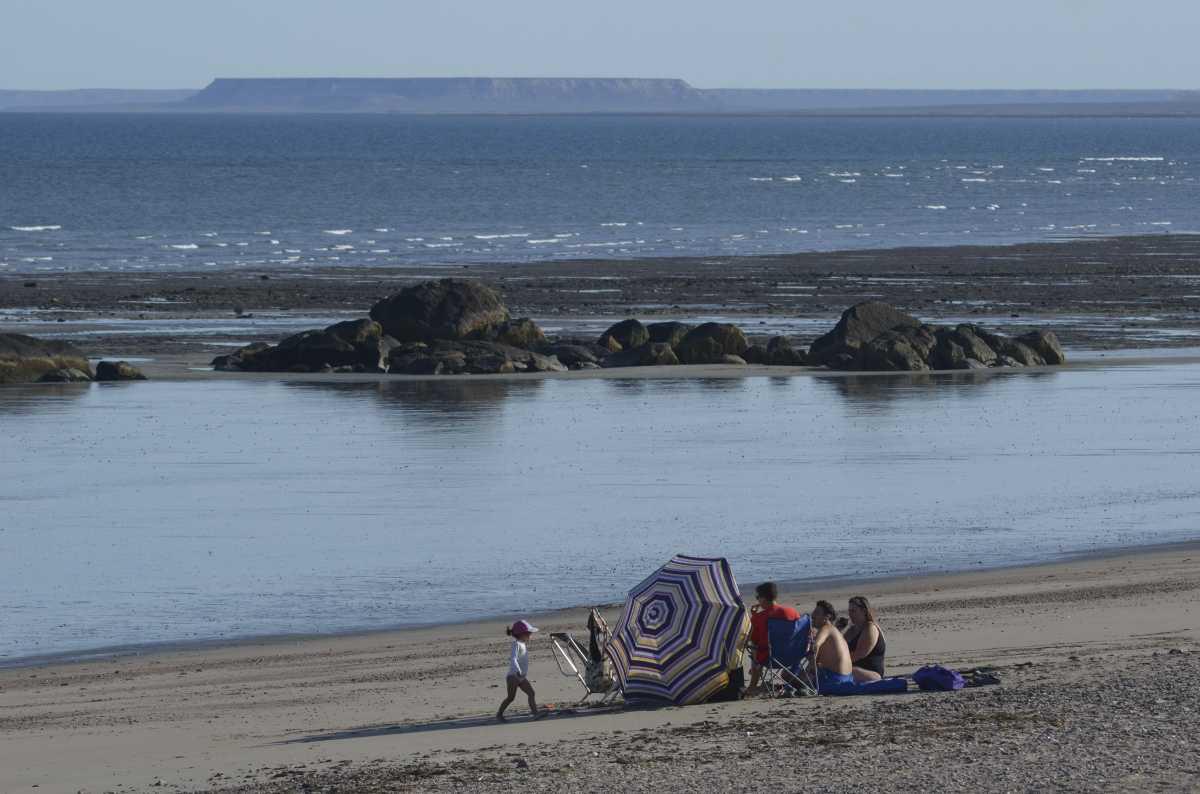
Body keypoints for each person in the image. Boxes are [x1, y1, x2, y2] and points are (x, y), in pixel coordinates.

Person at [745, 581, 800, 694]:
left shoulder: (759, 617)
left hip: (770, 658)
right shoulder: (792, 612)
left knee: (755, 647)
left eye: (758, 597)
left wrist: (754, 615)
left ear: (764, 599)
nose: (758, 600)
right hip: (793, 655)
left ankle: (752, 686)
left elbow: (754, 639)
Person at [497, 619, 544, 722]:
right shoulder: (516, 644)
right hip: (513, 676)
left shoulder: (522, 643)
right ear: (521, 634)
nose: (530, 635)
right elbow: (513, 658)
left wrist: (522, 674)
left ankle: (535, 714)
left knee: (531, 693)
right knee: (511, 698)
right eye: (528, 633)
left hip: (521, 677)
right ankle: (499, 714)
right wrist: (518, 670)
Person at [840, 595, 887, 683]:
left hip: (871, 674)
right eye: (849, 611)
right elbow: (838, 649)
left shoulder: (870, 628)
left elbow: (860, 654)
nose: (850, 614)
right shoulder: (851, 630)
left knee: (844, 671)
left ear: (864, 611)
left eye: (853, 611)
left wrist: (837, 663)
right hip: (853, 670)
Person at [809, 600, 854, 691]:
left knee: (787, 674)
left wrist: (811, 669)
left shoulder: (826, 629)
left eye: (816, 613)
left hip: (834, 681)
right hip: (848, 679)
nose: (812, 616)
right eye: (813, 612)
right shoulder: (835, 631)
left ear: (827, 617)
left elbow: (815, 646)